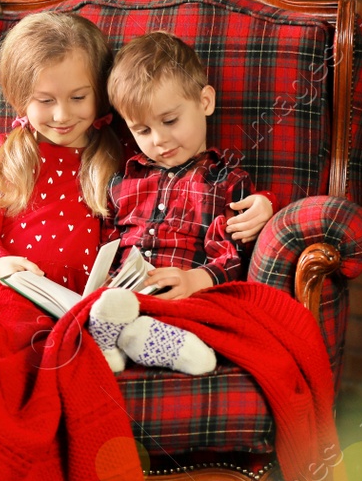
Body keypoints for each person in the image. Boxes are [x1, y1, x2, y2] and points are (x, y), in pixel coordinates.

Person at [0, 14, 272, 309]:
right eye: (45, 101)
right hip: (11, 287)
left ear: (99, 94)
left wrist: (264, 202)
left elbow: (184, 182)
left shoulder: (123, 154)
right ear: (20, 97)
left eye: (78, 98)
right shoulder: (2, 153)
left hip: (95, 299)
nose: (62, 116)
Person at [86, 30, 274, 374]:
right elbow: (106, 242)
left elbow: (233, 256)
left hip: (185, 298)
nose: (159, 140)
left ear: (204, 102)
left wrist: (193, 281)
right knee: (103, 307)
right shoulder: (123, 181)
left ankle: (147, 342)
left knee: (199, 312)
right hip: (122, 296)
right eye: (142, 130)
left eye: (170, 121)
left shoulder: (226, 181)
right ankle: (117, 338)